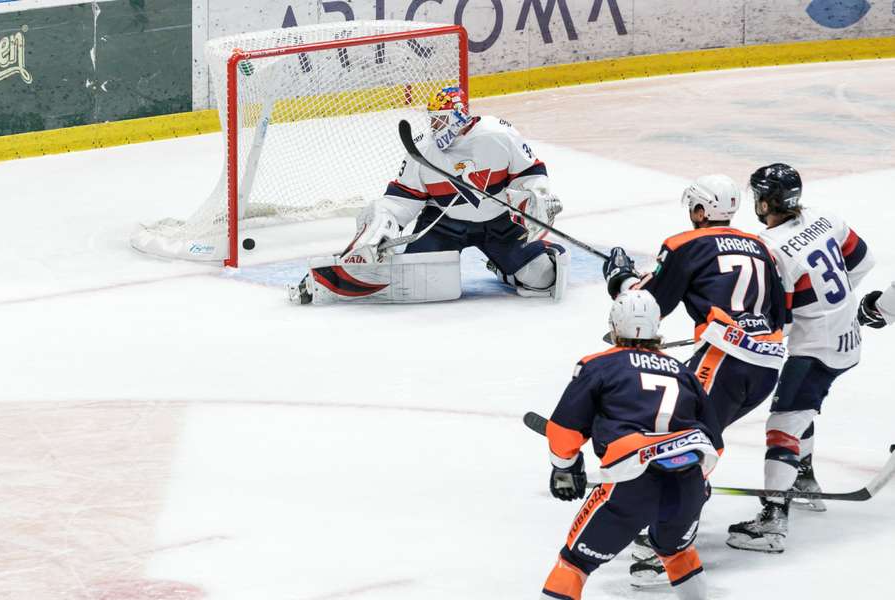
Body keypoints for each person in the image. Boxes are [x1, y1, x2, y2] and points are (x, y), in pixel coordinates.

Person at [601, 175, 787, 581]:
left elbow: (648, 305)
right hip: (767, 364)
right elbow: (780, 315)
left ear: (701, 211)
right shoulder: (761, 247)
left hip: (726, 359)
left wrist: (619, 281)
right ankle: (667, 512)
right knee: (693, 429)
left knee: (684, 437)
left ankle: (667, 543)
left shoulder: (684, 244)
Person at [294, 86, 568, 304]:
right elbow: (401, 199)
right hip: (446, 225)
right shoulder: (423, 149)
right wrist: (380, 224)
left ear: (460, 115)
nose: (435, 127)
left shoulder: (499, 134)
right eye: (432, 120)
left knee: (542, 278)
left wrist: (537, 196)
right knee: (417, 283)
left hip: (500, 224)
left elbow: (530, 175)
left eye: (441, 120)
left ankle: (507, 267)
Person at [727, 163, 875, 553]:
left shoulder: (771, 248)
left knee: (782, 425)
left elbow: (785, 322)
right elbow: (863, 262)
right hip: (848, 339)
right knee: (799, 408)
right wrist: (834, 305)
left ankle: (774, 521)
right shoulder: (826, 218)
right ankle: (803, 477)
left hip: (815, 351)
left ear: (764, 201)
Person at [540, 290, 723, 600]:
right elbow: (714, 443)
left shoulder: (597, 366)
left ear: (614, 326)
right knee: (677, 553)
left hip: (630, 481)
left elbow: (563, 431)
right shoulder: (684, 374)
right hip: (688, 483)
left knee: (575, 563)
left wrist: (565, 469)